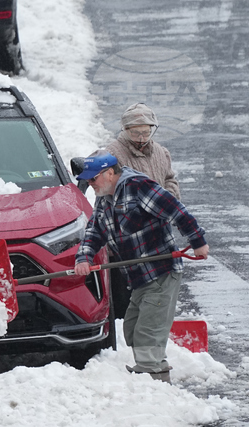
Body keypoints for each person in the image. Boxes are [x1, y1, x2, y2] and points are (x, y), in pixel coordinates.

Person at [73, 154, 209, 384]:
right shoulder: (104, 198)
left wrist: (198, 242)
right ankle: (147, 375)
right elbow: (95, 231)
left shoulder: (138, 187)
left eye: (93, 179)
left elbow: (177, 211)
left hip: (161, 271)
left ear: (109, 173)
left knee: (148, 330)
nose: (90, 184)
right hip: (138, 277)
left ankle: (154, 379)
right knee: (132, 327)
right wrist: (84, 257)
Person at [104, 103, 180, 317]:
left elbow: (169, 179)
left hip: (157, 237)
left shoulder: (161, 153)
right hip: (126, 240)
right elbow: (109, 194)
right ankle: (126, 329)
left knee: (157, 289)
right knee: (128, 296)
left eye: (146, 132)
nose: (141, 138)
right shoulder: (112, 156)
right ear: (124, 130)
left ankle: (153, 324)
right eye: (135, 133)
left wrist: (168, 200)